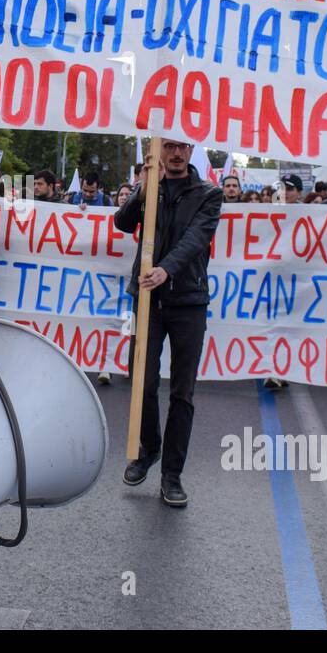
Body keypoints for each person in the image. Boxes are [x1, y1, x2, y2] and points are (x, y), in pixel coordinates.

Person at [115, 139, 223, 508]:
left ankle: (172, 475)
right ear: (160, 150)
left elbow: (196, 239)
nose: (176, 153)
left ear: (191, 150)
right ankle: (149, 449)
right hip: (147, 299)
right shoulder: (152, 188)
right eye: (169, 146)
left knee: (182, 392)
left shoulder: (209, 194)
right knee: (141, 381)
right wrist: (146, 186)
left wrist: (166, 269)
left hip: (188, 300)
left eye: (182, 147)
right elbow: (122, 222)